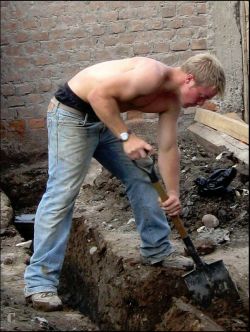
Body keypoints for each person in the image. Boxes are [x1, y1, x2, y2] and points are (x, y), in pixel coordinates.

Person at [24, 53, 225, 311]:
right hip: (72, 116)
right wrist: (126, 136)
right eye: (203, 96)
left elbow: (168, 148)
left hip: (103, 120)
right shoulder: (150, 74)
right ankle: (40, 283)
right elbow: (98, 95)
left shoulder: (172, 102)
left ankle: (157, 250)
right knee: (62, 194)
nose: (201, 103)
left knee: (142, 174)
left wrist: (173, 193)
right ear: (189, 79)